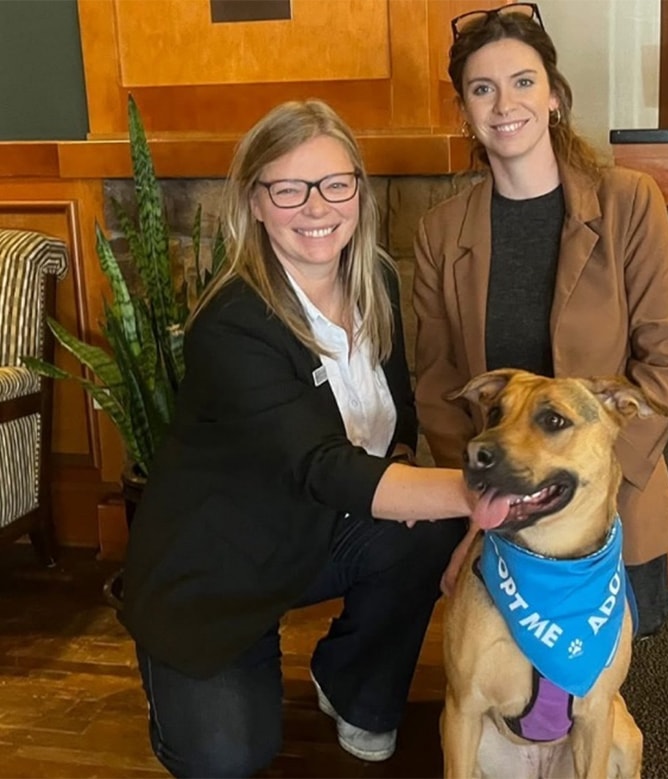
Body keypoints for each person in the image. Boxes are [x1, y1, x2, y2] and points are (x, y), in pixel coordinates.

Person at [119, 99, 472, 778]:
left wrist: (444, 500)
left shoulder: (382, 286)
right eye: (289, 187)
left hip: (312, 530)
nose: (317, 206)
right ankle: (188, 691)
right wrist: (483, 493)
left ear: (359, 193)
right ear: (255, 201)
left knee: (423, 526)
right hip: (217, 569)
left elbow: (395, 427)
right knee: (228, 756)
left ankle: (354, 686)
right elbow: (323, 463)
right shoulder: (232, 322)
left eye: (336, 183)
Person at [413, 4, 668, 638]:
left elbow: (666, 362)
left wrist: (594, 482)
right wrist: (483, 496)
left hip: (614, 501)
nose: (503, 103)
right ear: (465, 111)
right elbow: (437, 386)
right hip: (503, 505)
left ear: (555, 97)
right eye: (482, 89)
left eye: (522, 81)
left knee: (606, 694)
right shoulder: (440, 232)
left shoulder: (628, 202)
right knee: (508, 680)